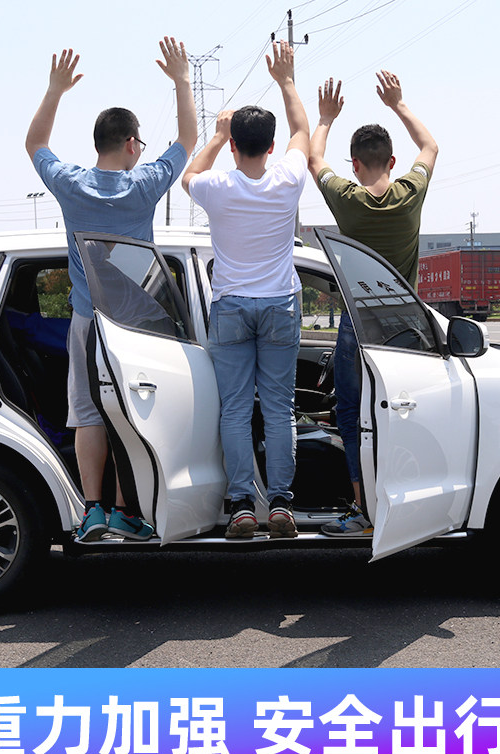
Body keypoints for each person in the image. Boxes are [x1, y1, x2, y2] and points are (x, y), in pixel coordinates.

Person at [25, 40, 197, 542]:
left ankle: (92, 511)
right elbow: (188, 138)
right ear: (131, 143)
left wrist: (55, 90)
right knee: (131, 417)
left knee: (87, 416)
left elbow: (35, 143)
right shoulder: (143, 185)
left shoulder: (70, 183)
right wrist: (182, 80)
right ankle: (125, 511)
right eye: (139, 143)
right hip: (136, 328)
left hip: (87, 323)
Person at [181, 40, 309, 539]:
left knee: (234, 409)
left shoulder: (217, 188)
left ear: (235, 146)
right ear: (271, 147)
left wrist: (216, 135)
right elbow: (302, 131)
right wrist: (286, 80)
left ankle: (240, 506)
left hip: (231, 306)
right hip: (280, 305)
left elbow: (189, 175)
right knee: (278, 409)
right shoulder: (288, 179)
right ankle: (281, 504)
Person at [308, 70, 438, 536]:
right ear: (392, 160)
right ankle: (408, 503)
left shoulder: (347, 199)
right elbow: (430, 146)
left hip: (358, 326)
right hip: (408, 327)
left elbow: (314, 158)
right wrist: (398, 104)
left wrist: (326, 117)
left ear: (356, 164)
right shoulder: (410, 194)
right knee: (402, 413)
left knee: (351, 414)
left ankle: (363, 508)